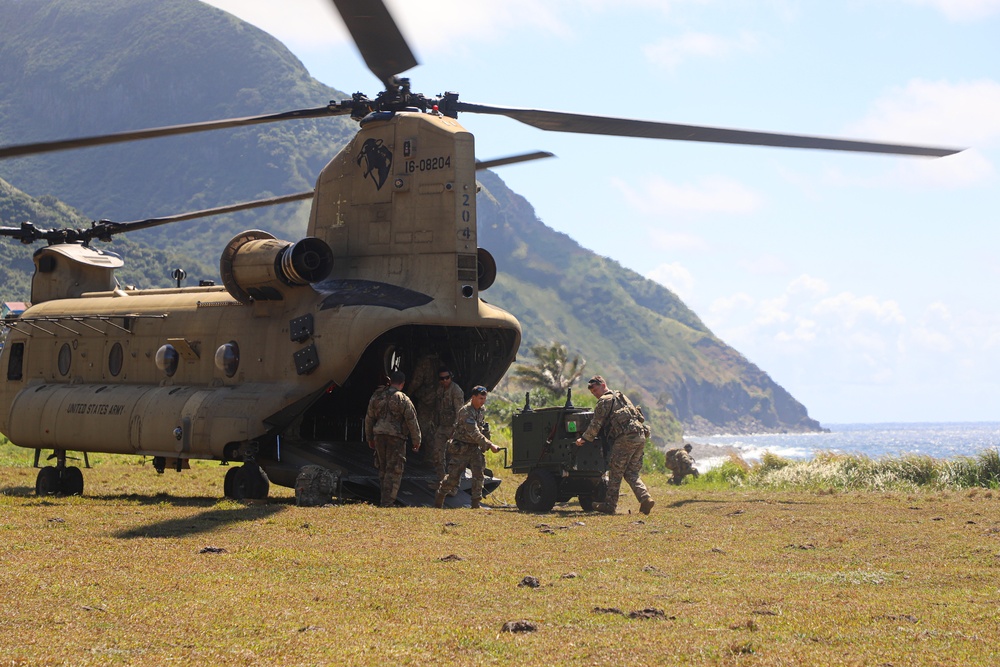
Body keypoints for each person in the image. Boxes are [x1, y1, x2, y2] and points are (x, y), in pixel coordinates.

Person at [575, 375, 655, 515]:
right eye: (592, 392)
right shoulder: (621, 396)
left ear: (603, 384)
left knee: (615, 472)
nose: (595, 393)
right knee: (631, 472)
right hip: (640, 436)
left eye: (595, 389)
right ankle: (645, 498)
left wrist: (584, 439)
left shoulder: (604, 401)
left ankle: (609, 505)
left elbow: (596, 424)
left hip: (625, 438)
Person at [434, 385, 500, 509]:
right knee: (453, 478)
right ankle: (440, 496)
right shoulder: (465, 411)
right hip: (461, 448)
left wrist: (486, 439)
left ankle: (475, 504)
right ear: (473, 397)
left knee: (478, 474)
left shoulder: (481, 410)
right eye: (480, 398)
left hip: (475, 448)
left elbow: (481, 428)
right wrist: (489, 445)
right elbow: (473, 432)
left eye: (484, 398)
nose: (483, 401)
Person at [364, 371, 421, 507]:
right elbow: (411, 420)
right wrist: (416, 440)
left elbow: (369, 418)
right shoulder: (403, 399)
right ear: (402, 384)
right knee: (394, 469)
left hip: (379, 435)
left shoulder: (377, 396)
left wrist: (369, 437)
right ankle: (387, 502)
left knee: (382, 468)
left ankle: (384, 499)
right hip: (396, 437)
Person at [428, 366, 464, 484]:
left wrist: (456, 429)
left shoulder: (456, 391)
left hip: (453, 428)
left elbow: (460, 411)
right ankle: (442, 480)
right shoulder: (439, 389)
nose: (444, 380)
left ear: (451, 377)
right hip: (442, 427)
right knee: (437, 454)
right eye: (442, 378)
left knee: (454, 458)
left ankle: (453, 485)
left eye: (447, 378)